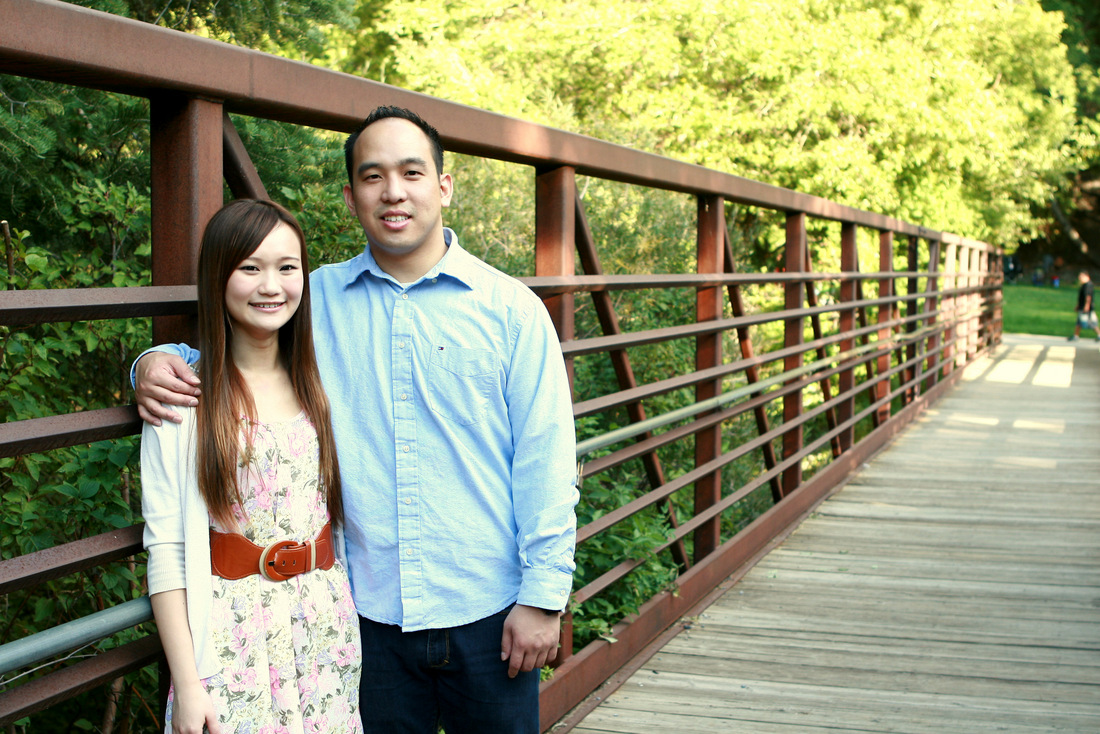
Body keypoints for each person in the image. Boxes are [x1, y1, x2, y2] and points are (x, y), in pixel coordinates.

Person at [134, 106, 579, 734]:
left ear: (444, 186)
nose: (393, 191)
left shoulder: (512, 311)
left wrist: (544, 597)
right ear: (351, 196)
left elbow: (547, 462)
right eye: (373, 176)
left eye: (412, 172)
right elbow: (236, 340)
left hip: (491, 612)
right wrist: (153, 364)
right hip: (365, 619)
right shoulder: (315, 299)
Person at [140, 199, 362, 734]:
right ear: (218, 276)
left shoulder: (322, 381)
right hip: (229, 640)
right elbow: (166, 549)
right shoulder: (184, 398)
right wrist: (188, 684)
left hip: (325, 629)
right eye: (250, 268)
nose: (271, 286)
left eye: (287, 267)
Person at [1068, 270, 1098, 342]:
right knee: (1079, 322)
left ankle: (1099, 334)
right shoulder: (1084, 285)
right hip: (1082, 306)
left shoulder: (1088, 285)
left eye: (1081, 276)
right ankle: (1076, 336)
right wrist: (1078, 305)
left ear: (1086, 276)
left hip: (1087, 308)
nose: (1080, 278)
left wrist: (1086, 306)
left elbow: (1088, 296)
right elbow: (1082, 297)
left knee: (1091, 323)